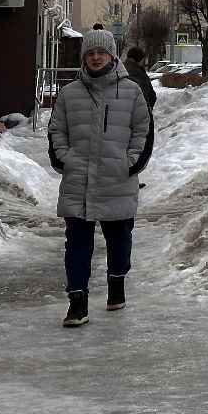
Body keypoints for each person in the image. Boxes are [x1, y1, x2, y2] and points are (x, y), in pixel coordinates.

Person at [48, 28, 153, 328]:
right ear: (85, 57)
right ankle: (77, 302)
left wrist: (130, 164)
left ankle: (116, 283)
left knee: (119, 241)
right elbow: (57, 130)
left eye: (102, 52)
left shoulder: (131, 91)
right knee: (77, 244)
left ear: (112, 55)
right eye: (90, 53)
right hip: (78, 180)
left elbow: (143, 131)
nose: (96, 57)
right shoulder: (69, 94)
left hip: (117, 179)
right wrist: (65, 160)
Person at [123, 45, 157, 111]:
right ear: (140, 60)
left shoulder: (118, 71)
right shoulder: (141, 75)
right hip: (139, 112)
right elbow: (151, 97)